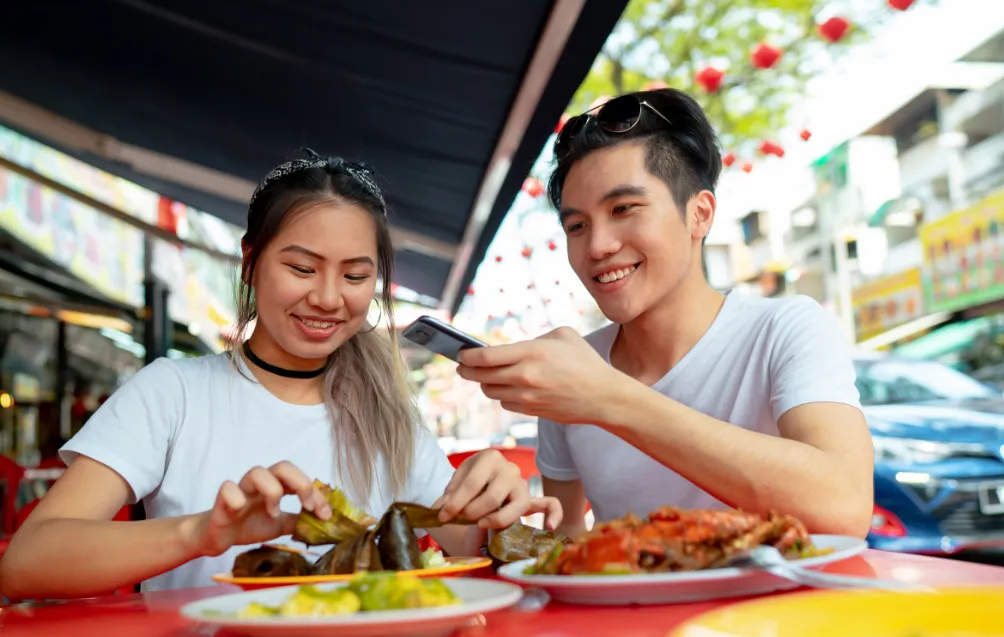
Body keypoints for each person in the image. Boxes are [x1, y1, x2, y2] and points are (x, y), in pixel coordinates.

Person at [0, 150, 559, 599]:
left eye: (355, 275)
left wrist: (496, 503)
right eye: (300, 267)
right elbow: (26, 564)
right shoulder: (172, 392)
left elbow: (466, 538)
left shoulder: (387, 411)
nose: (327, 298)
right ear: (250, 261)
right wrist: (204, 533)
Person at [456, 89, 873, 539]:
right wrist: (494, 519)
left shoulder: (784, 328)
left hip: (777, 610)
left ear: (699, 214)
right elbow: (566, 539)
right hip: (630, 607)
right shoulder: (571, 365)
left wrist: (607, 398)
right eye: (577, 226)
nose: (597, 246)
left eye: (624, 209)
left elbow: (845, 505)